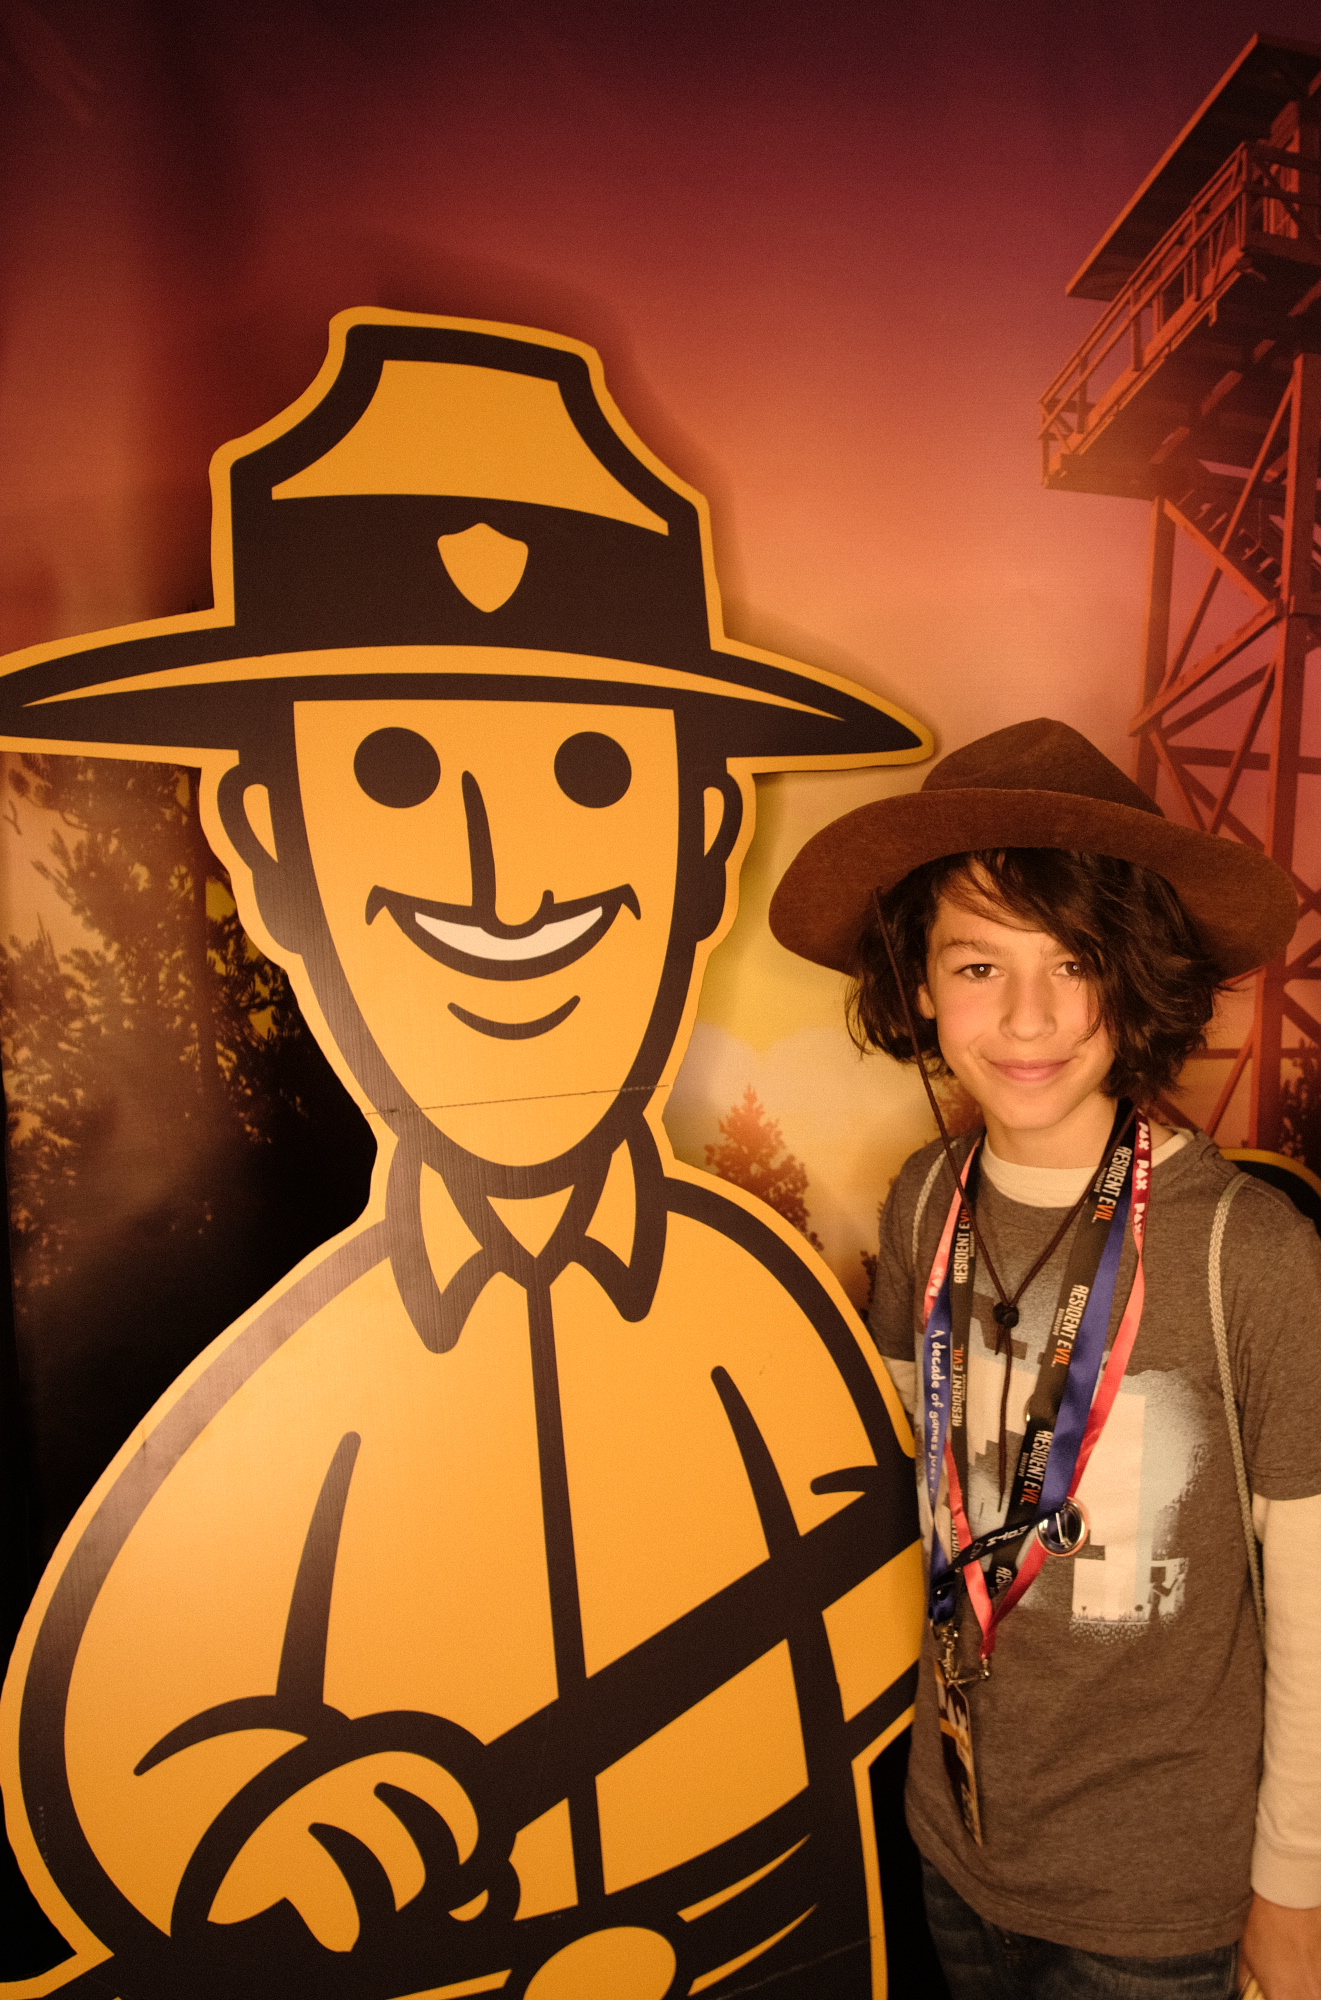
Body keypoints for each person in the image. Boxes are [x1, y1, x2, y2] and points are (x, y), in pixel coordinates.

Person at [0, 311, 930, 1999]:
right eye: (400, 770)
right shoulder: (299, 1393)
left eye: (588, 768)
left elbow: (878, 1613)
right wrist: (254, 1818)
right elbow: (117, 1737)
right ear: (271, 840)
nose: (507, 876)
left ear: (703, 834)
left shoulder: (759, 1317)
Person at [769, 717, 1321, 2000]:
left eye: (1074, 961)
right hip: (955, 1842)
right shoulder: (922, 1199)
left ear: (1135, 976)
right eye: (977, 964)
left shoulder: (1244, 1247)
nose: (1027, 1016)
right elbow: (909, 1489)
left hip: (1157, 1903)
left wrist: (1293, 1881)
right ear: (918, 983)